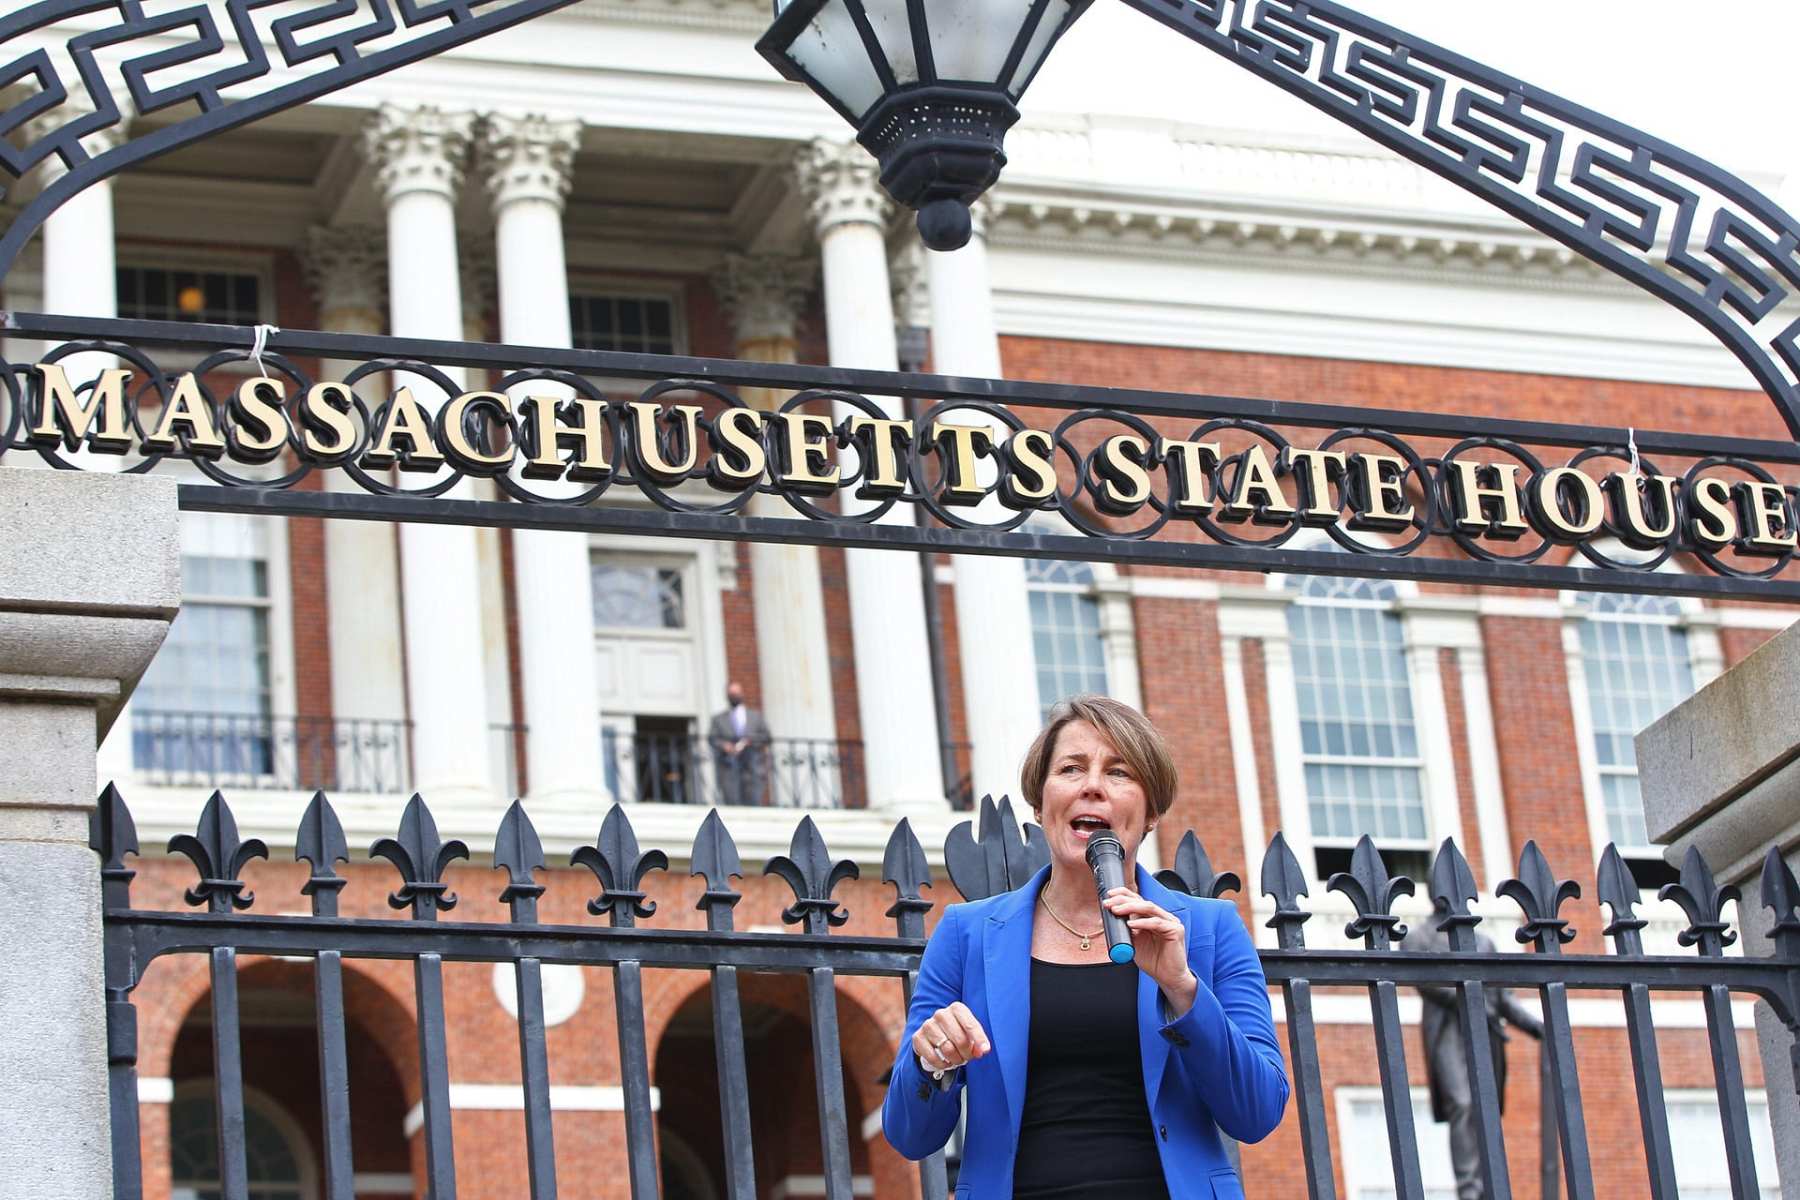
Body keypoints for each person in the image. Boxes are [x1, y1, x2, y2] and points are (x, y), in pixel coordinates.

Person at [882, 695, 1288, 1199]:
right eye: (1071, 768)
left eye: (1118, 773)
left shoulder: (1211, 929)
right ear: (1040, 802)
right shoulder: (966, 934)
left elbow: (1257, 1113)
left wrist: (1183, 990)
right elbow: (908, 1133)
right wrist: (931, 1060)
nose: (1092, 785)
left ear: (1151, 813)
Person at [1401, 920, 1543, 1200]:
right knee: (1461, 1102)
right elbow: (1423, 979)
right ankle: (1468, 1187)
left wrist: (1537, 1027)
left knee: (1484, 1108)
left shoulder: (1484, 942)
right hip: (1447, 1031)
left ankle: (1490, 1184)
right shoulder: (1418, 937)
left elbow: (1502, 998)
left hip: (1483, 1034)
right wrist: (1469, 999)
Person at [707, 681, 770, 806]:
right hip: (729, 769)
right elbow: (712, 738)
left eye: (736, 693)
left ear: (742, 694)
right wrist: (724, 746)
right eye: (731, 693)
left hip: (752, 769)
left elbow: (766, 736)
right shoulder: (718, 719)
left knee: (753, 804)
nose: (734, 696)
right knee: (732, 804)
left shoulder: (755, 716)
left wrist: (750, 741)